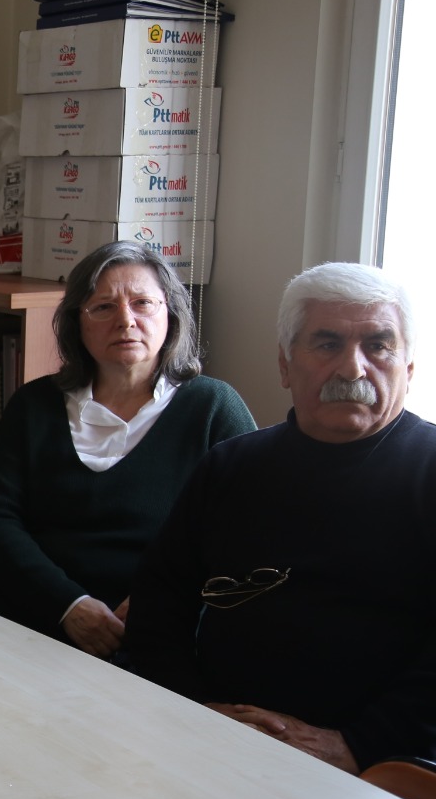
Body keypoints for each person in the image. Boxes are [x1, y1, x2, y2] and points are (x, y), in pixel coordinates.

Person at [127, 261, 436, 772]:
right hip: (216, 738)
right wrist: (195, 710)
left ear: (410, 368)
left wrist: (355, 746)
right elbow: (159, 603)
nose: (353, 369)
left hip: (381, 769)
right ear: (285, 364)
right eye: (328, 344)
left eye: (378, 346)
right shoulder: (231, 467)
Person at [0, 241, 254, 657]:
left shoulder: (213, 408)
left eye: (143, 303)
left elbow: (247, 533)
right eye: (103, 307)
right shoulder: (33, 405)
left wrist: (159, 601)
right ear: (77, 322)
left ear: (170, 313)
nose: (126, 320)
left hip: (161, 628)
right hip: (32, 612)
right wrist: (68, 605)